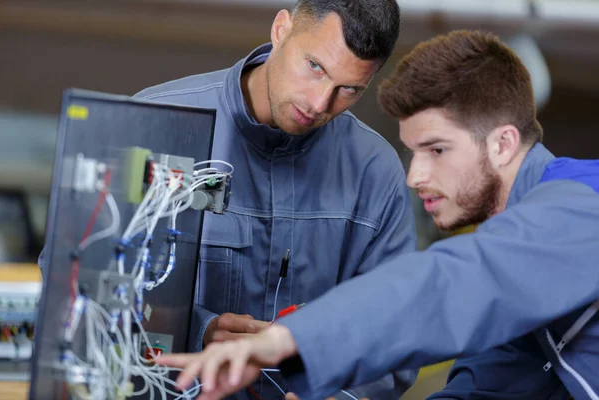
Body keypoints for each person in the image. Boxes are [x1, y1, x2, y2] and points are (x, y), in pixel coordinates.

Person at [156, 30, 599, 400]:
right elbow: (493, 384)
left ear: (502, 144)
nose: (414, 176)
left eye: (437, 150)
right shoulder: (528, 291)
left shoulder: (583, 204)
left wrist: (289, 340)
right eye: (413, 152)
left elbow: (452, 284)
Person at [133, 1, 417, 399]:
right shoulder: (155, 125)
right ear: (281, 28)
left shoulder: (376, 174)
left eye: (349, 89)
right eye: (314, 67)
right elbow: (87, 287)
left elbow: (395, 334)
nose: (319, 104)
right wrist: (198, 330)